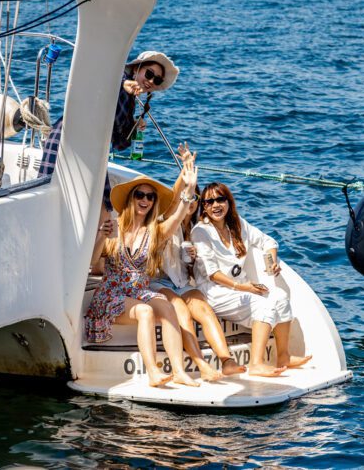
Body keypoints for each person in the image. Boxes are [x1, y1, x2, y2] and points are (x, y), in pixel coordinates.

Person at [85, 158, 200, 388]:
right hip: (111, 295)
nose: (145, 200)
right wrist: (100, 236)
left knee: (167, 307)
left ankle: (178, 370)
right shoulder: (114, 226)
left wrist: (188, 188)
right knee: (146, 312)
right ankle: (153, 372)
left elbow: (177, 216)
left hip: (138, 292)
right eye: (140, 195)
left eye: (150, 196)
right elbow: (93, 262)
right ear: (131, 198)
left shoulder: (154, 232)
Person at [192, 182, 312, 377]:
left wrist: (272, 261)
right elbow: (212, 273)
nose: (216, 205)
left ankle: (284, 356)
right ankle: (256, 364)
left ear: (229, 201)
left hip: (241, 287)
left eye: (220, 199)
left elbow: (268, 241)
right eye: (209, 201)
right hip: (215, 290)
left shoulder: (236, 224)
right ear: (204, 207)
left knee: (280, 296)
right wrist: (242, 287)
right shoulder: (201, 231)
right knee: (263, 304)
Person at [38, 50, 179, 216]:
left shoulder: (131, 102)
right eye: (149, 74)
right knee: (46, 192)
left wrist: (133, 127)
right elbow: (100, 82)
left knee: (101, 206)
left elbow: (119, 144)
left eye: (156, 80)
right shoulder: (119, 81)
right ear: (136, 69)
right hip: (67, 139)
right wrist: (121, 84)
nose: (150, 81)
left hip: (91, 150)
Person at [150, 154, 246, 380]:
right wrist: (185, 173)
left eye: (195, 199)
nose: (190, 202)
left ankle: (227, 361)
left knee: (203, 309)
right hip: (157, 281)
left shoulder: (196, 228)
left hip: (182, 281)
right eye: (188, 198)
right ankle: (201, 364)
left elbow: (192, 269)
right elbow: (175, 200)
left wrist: (192, 260)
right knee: (181, 311)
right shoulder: (167, 219)